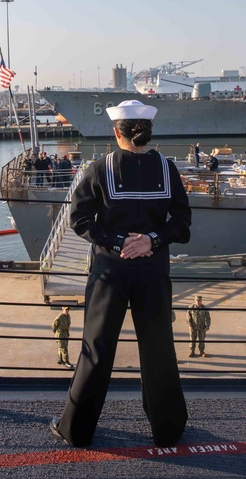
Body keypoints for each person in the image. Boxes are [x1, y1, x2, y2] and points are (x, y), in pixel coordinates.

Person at [51, 99, 191, 448]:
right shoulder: (167, 169)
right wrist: (152, 240)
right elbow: (183, 224)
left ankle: (76, 429)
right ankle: (168, 429)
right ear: (148, 132)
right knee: (158, 347)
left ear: (116, 132)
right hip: (153, 270)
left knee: (97, 348)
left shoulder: (99, 168)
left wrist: (117, 242)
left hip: (110, 271)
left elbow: (79, 220)